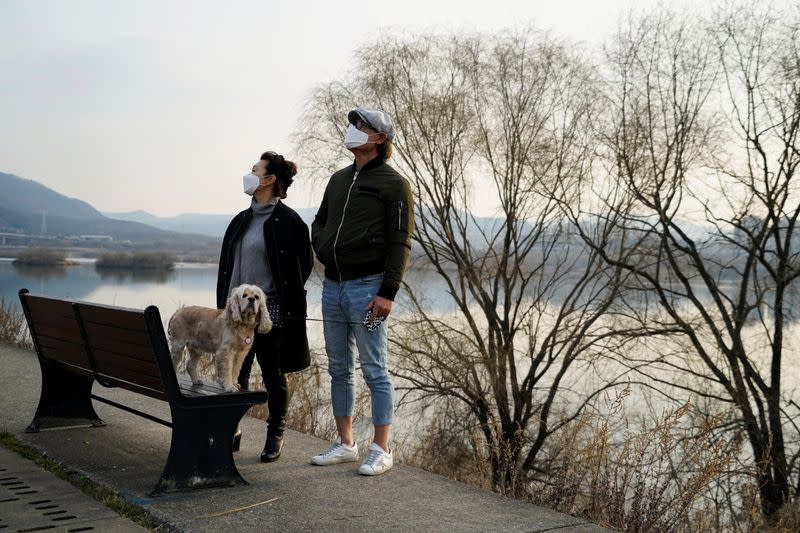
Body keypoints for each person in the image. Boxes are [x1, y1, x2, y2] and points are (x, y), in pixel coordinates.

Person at [310, 107, 414, 475]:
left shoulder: (394, 184)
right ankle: (345, 443)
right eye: (353, 124)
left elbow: (401, 242)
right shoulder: (338, 180)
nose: (353, 130)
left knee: (375, 368)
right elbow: (319, 221)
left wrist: (388, 292)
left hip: (368, 289)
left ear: (380, 138)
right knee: (339, 367)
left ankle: (382, 449)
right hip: (333, 287)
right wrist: (321, 245)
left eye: (362, 126)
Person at [216, 150, 312, 462]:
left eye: (254, 170)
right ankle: (231, 429)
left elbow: (304, 266)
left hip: (269, 317)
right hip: (235, 318)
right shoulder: (240, 221)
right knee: (234, 375)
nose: (249, 173)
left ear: (269, 179)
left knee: (273, 374)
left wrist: (275, 298)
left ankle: (276, 433)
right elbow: (227, 267)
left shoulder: (290, 222)